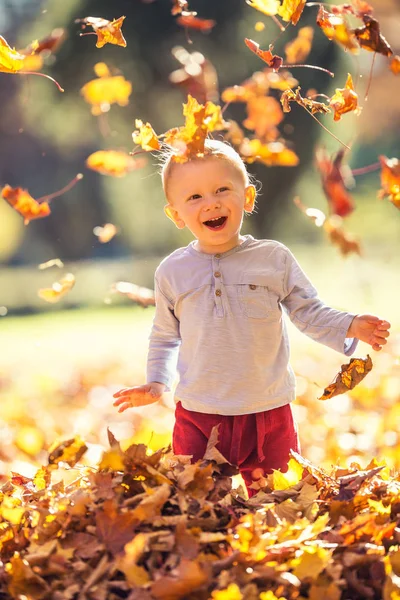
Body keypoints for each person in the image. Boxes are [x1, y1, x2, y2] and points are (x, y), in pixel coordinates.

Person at [113, 139, 391, 497]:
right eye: (194, 197)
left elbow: (307, 310)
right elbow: (165, 335)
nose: (211, 202)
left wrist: (349, 324)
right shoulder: (173, 272)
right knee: (199, 502)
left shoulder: (272, 259)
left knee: (279, 499)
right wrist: (156, 382)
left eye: (222, 190)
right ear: (176, 214)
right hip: (199, 414)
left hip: (268, 411)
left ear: (247, 197)